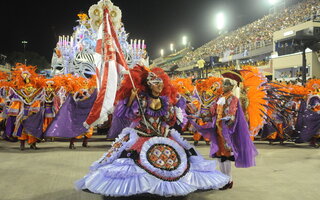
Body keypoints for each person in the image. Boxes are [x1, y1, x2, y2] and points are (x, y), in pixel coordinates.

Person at [75, 65, 230, 197]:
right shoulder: (140, 99)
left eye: (161, 83)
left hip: (163, 134)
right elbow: (124, 113)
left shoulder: (165, 100)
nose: (159, 86)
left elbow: (169, 120)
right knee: (131, 161)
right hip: (142, 135)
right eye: (156, 83)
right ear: (149, 84)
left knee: (185, 156)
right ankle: (144, 187)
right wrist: (131, 99)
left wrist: (174, 111)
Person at [189, 78, 257, 190]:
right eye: (223, 84)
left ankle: (228, 180)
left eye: (226, 84)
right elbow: (213, 111)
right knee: (219, 156)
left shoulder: (233, 98)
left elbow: (232, 112)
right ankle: (223, 179)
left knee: (226, 157)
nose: (223, 86)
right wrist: (205, 109)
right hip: (217, 129)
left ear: (231, 87)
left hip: (226, 131)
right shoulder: (219, 98)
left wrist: (229, 118)